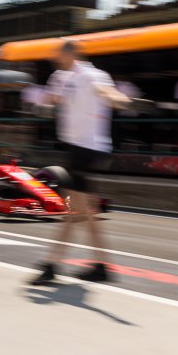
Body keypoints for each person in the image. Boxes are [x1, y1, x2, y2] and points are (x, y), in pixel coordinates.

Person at [29, 40, 130, 285]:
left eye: (58, 54)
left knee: (73, 208)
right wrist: (43, 102)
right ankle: (101, 266)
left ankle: (51, 265)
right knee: (83, 210)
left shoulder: (92, 75)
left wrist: (120, 99)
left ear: (70, 54)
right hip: (76, 148)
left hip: (88, 148)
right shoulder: (60, 77)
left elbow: (106, 92)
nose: (54, 58)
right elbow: (51, 99)